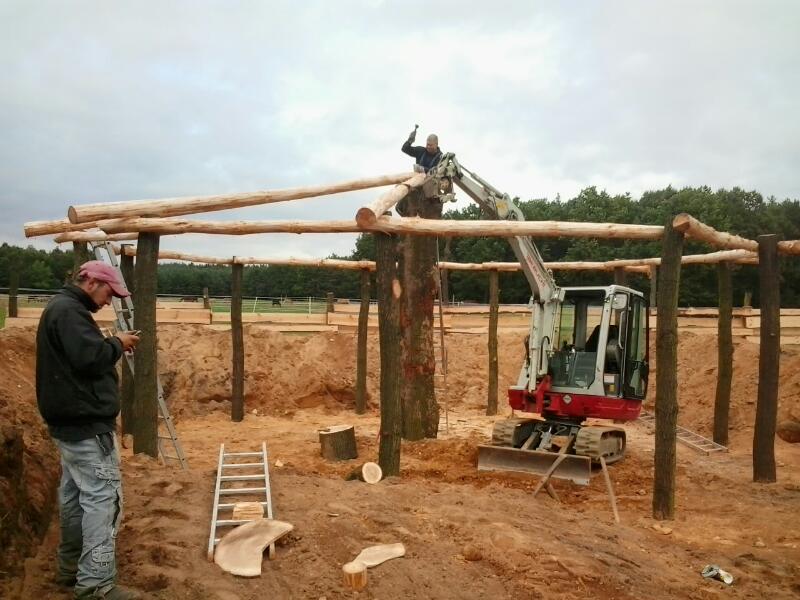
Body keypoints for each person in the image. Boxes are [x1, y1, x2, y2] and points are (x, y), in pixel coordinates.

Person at [36, 260, 141, 600]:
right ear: (92, 281)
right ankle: (95, 584)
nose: (108, 301)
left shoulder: (62, 308)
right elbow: (89, 358)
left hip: (70, 425)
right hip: (86, 425)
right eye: (109, 293)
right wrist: (116, 343)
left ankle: (70, 569)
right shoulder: (69, 312)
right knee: (103, 500)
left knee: (74, 497)